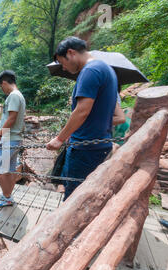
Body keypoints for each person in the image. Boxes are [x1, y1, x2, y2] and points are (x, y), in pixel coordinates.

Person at [47, 36, 118, 201]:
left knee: (73, 198)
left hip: (85, 149)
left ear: (70, 53)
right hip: (97, 145)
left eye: (62, 62)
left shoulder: (90, 71)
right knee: (86, 196)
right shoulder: (105, 69)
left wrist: (59, 138)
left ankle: (69, 227)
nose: (63, 68)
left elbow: (81, 111)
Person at [0, 70, 26, 208]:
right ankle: (8, 195)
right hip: (15, 138)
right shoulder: (20, 96)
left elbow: (11, 118)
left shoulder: (13, 96)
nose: (3, 90)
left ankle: (7, 198)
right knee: (9, 169)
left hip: (9, 139)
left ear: (4, 82)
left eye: (1, 87)